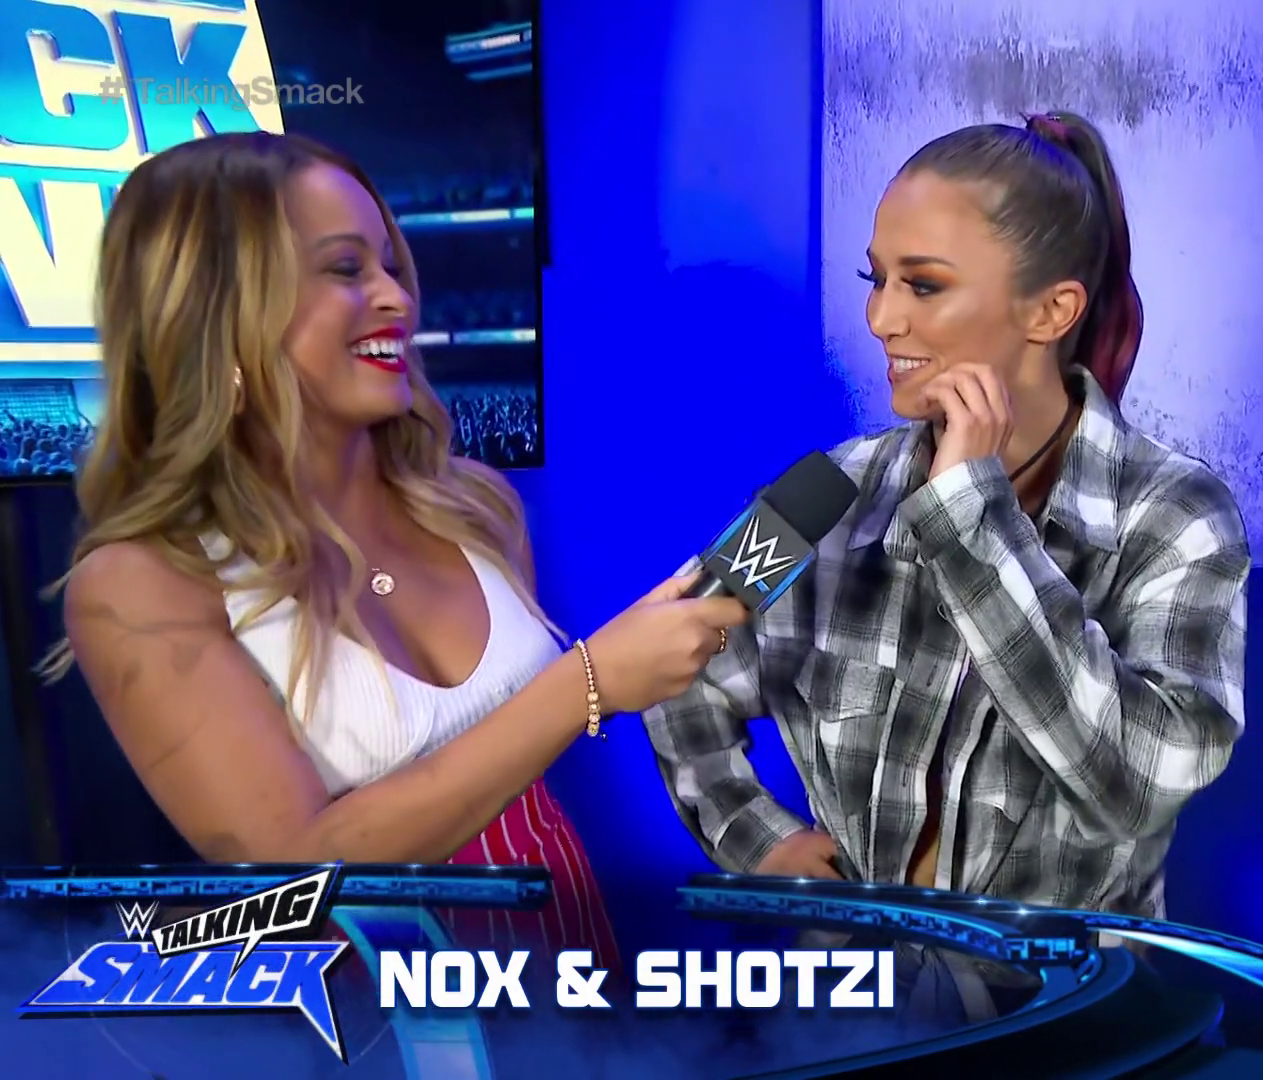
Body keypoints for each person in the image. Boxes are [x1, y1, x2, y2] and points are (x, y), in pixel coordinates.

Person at [43, 132, 749, 964]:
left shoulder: (473, 503)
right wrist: (586, 682)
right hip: (377, 1002)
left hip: (567, 952)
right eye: (346, 270)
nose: (397, 299)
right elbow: (292, 880)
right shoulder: (140, 583)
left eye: (389, 265)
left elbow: (508, 777)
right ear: (218, 313)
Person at [646, 113, 1250, 920]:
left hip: (1065, 995)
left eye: (923, 285)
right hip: (859, 987)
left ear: (1052, 311)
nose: (880, 319)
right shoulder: (818, 495)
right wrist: (756, 840)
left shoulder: (1177, 516)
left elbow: (1136, 786)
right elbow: (670, 653)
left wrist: (970, 517)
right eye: (876, 280)